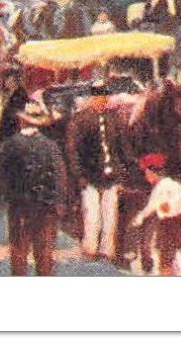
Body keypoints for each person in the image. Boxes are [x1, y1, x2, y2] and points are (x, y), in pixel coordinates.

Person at [0, 99, 67, 276]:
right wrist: (60, 202)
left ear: (21, 121)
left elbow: (0, 175)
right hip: (45, 207)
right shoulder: (50, 146)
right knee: (44, 255)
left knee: (19, 253)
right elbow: (60, 176)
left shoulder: (10, 145)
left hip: (19, 207)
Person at [69, 78, 124, 263]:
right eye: (99, 97)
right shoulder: (81, 119)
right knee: (92, 215)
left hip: (111, 175)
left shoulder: (113, 119)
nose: (102, 100)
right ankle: (90, 248)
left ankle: (108, 250)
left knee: (110, 216)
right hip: (90, 176)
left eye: (105, 96)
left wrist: (122, 173)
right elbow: (73, 151)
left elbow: (121, 148)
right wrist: (80, 175)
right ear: (93, 98)